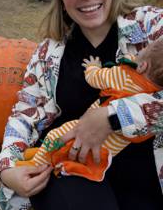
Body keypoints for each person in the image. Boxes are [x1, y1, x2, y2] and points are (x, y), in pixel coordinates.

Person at [0, 0, 163, 210]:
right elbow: (24, 113)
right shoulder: (49, 52)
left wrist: (113, 116)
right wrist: (7, 168)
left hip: (139, 174)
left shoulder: (149, 27)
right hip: (69, 165)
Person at [16, 43, 163, 181]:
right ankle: (42, 153)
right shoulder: (154, 97)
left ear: (142, 66)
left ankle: (36, 163)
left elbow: (95, 78)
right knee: (70, 151)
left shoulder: (124, 76)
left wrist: (92, 67)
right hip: (109, 150)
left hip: (88, 128)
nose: (136, 54)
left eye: (141, 52)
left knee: (56, 135)